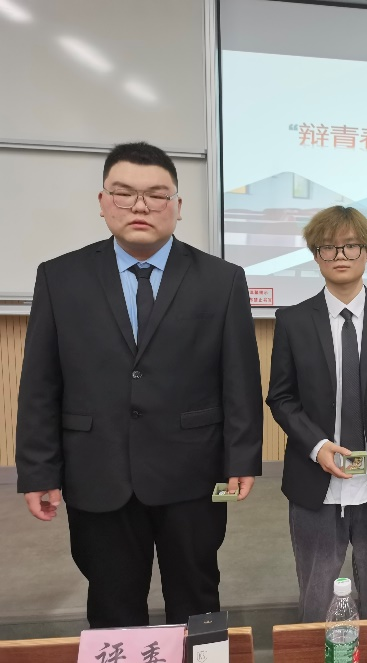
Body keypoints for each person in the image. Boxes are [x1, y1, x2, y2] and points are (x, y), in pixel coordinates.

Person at [15, 142, 263, 628]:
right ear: (103, 201)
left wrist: (242, 457)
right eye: (124, 193)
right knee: (112, 600)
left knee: (198, 593)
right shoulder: (60, 277)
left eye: (156, 195)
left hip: (194, 471)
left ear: (178, 205)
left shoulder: (222, 279)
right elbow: (41, 383)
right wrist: (39, 469)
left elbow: (239, 377)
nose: (140, 206)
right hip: (97, 471)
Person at [266, 206, 367, 622]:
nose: (340, 255)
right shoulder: (293, 321)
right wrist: (317, 446)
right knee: (316, 595)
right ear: (316, 256)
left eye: (350, 246)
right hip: (314, 477)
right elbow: (281, 397)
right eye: (328, 247)